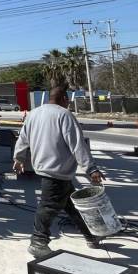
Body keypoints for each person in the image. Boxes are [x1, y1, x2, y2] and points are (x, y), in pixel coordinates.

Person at [13, 86, 106, 258]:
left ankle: (91, 236)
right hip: (57, 169)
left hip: (44, 167)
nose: (69, 102)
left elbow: (22, 138)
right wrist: (91, 168)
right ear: (64, 98)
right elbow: (77, 144)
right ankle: (38, 242)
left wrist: (18, 159)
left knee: (72, 205)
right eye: (68, 99)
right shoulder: (64, 115)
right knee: (48, 206)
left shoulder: (34, 113)